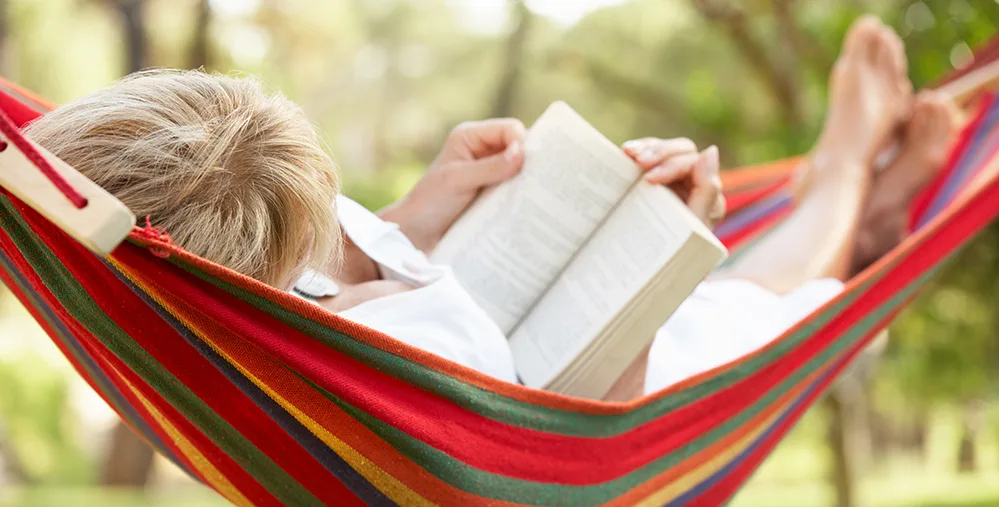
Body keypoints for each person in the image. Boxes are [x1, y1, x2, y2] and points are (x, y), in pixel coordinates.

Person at [23, 15, 956, 398]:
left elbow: (312, 278)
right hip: (661, 382)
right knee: (764, 303)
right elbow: (583, 454)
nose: (339, 240)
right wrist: (657, 272)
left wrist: (421, 213)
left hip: (562, 322)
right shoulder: (369, 371)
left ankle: (864, 213)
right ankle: (844, 175)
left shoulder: (242, 285)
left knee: (754, 286)